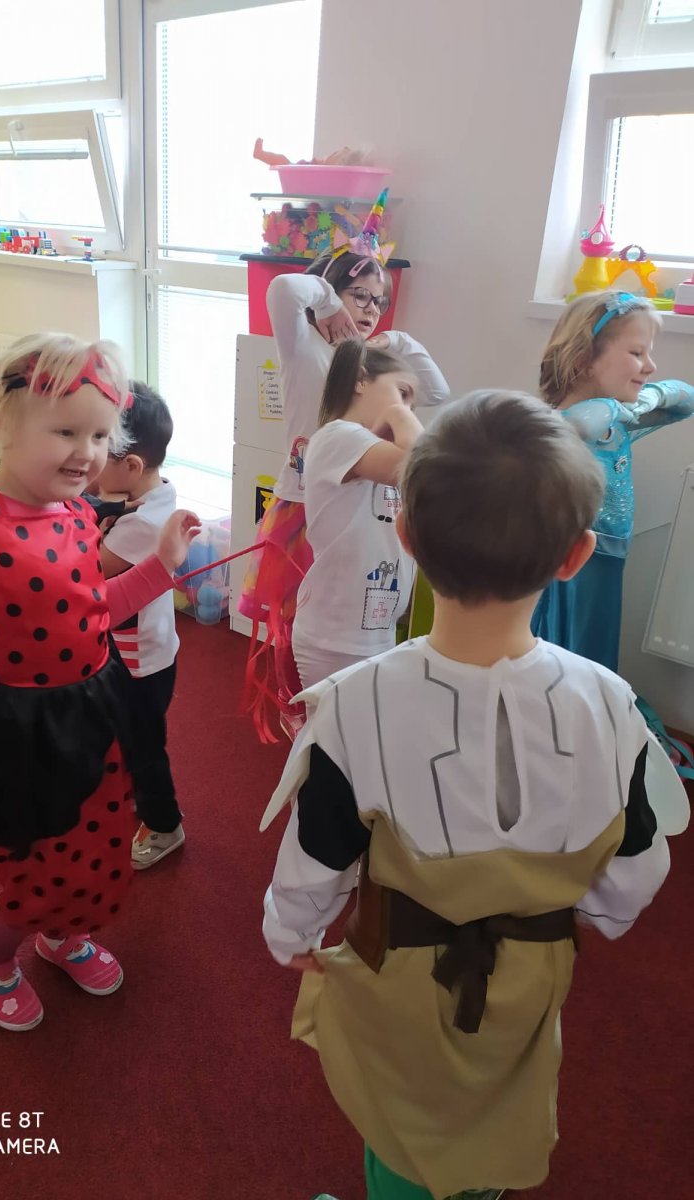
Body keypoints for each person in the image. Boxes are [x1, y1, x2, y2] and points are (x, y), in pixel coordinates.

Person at [262, 391, 670, 1200]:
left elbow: (316, 858)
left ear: (407, 537)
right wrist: (591, 916)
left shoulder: (356, 705)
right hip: (533, 969)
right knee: (498, 1098)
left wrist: (290, 934)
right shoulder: (613, 705)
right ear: (576, 556)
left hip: (399, 975)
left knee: (407, 1119)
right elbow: (637, 863)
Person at [0, 333, 199, 1032]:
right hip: (10, 726)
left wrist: (163, 566)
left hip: (93, 708)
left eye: (99, 436)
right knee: (35, 868)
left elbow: (95, 608)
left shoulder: (79, 512)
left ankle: (62, 935)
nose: (87, 453)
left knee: (96, 849)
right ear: (3, 425)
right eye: (65, 432)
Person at [239, 191, 449, 741]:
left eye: (379, 300)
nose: (370, 308)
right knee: (297, 618)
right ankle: (298, 704)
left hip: (359, 498)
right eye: (361, 294)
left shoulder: (371, 367)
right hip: (303, 503)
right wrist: (330, 301)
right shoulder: (305, 346)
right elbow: (284, 289)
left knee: (351, 602)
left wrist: (397, 338)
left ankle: (328, 704)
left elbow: (436, 391)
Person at [533, 289, 694, 672]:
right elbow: (582, 423)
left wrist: (650, 398)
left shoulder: (620, 423)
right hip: (569, 565)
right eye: (637, 353)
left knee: (594, 658)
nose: (650, 366)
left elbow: (687, 400)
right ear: (584, 359)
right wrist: (613, 405)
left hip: (609, 559)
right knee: (563, 660)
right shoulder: (558, 426)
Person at [291, 338, 422, 689]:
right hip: (335, 636)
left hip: (374, 630)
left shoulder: (371, 449)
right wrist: (398, 414)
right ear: (361, 380)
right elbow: (424, 467)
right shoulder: (339, 436)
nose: (408, 409)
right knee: (334, 724)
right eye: (402, 392)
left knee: (364, 723)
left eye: (411, 403)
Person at [94, 382, 185, 870]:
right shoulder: (155, 496)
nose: (87, 460)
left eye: (97, 447)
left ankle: (165, 824)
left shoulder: (142, 525)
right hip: (145, 650)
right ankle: (136, 790)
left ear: (130, 466)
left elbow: (90, 569)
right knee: (131, 734)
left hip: (139, 660)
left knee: (146, 745)